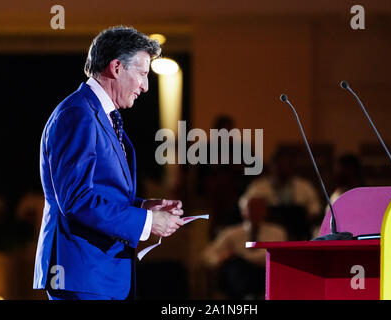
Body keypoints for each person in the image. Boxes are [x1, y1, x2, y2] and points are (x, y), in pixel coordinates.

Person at [33, 26, 185, 300]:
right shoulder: (77, 114)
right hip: (82, 274)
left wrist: (141, 206)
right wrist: (148, 222)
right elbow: (76, 200)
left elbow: (99, 191)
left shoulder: (97, 114)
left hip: (100, 274)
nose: (145, 86)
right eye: (142, 74)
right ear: (116, 67)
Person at [202, 195, 287, 299]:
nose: (254, 212)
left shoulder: (277, 232)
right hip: (239, 274)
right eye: (250, 208)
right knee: (236, 266)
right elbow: (208, 254)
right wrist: (221, 259)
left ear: (265, 211)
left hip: (263, 272)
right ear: (243, 211)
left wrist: (239, 255)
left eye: (258, 208)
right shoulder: (231, 233)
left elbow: (268, 257)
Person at [240, 147, 322, 240]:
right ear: (272, 166)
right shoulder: (258, 186)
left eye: (287, 165)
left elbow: (315, 209)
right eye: (280, 165)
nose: (284, 169)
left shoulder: (305, 186)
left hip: (298, 230)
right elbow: (246, 206)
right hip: (268, 230)